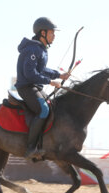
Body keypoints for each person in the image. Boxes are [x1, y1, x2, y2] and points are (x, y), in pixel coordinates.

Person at [15, 17, 70, 159]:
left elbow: (42, 69)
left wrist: (59, 75)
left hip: (34, 87)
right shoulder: (33, 49)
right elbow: (30, 74)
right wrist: (51, 82)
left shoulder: (41, 49)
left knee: (52, 106)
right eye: (52, 32)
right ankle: (30, 148)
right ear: (43, 33)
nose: (54, 36)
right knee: (44, 109)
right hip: (26, 87)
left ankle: (43, 144)